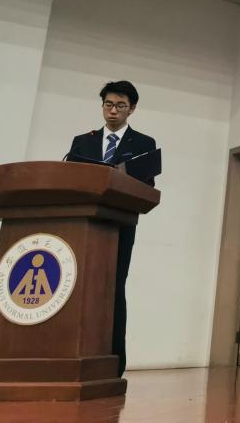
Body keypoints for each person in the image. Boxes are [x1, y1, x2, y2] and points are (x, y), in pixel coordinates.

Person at [67, 80, 156, 376]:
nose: (113, 111)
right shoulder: (82, 142)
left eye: (120, 105)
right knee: (76, 286)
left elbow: (147, 186)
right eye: (108, 104)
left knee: (113, 288)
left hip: (120, 226)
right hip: (83, 225)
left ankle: (114, 361)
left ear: (132, 109)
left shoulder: (143, 143)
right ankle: (72, 356)